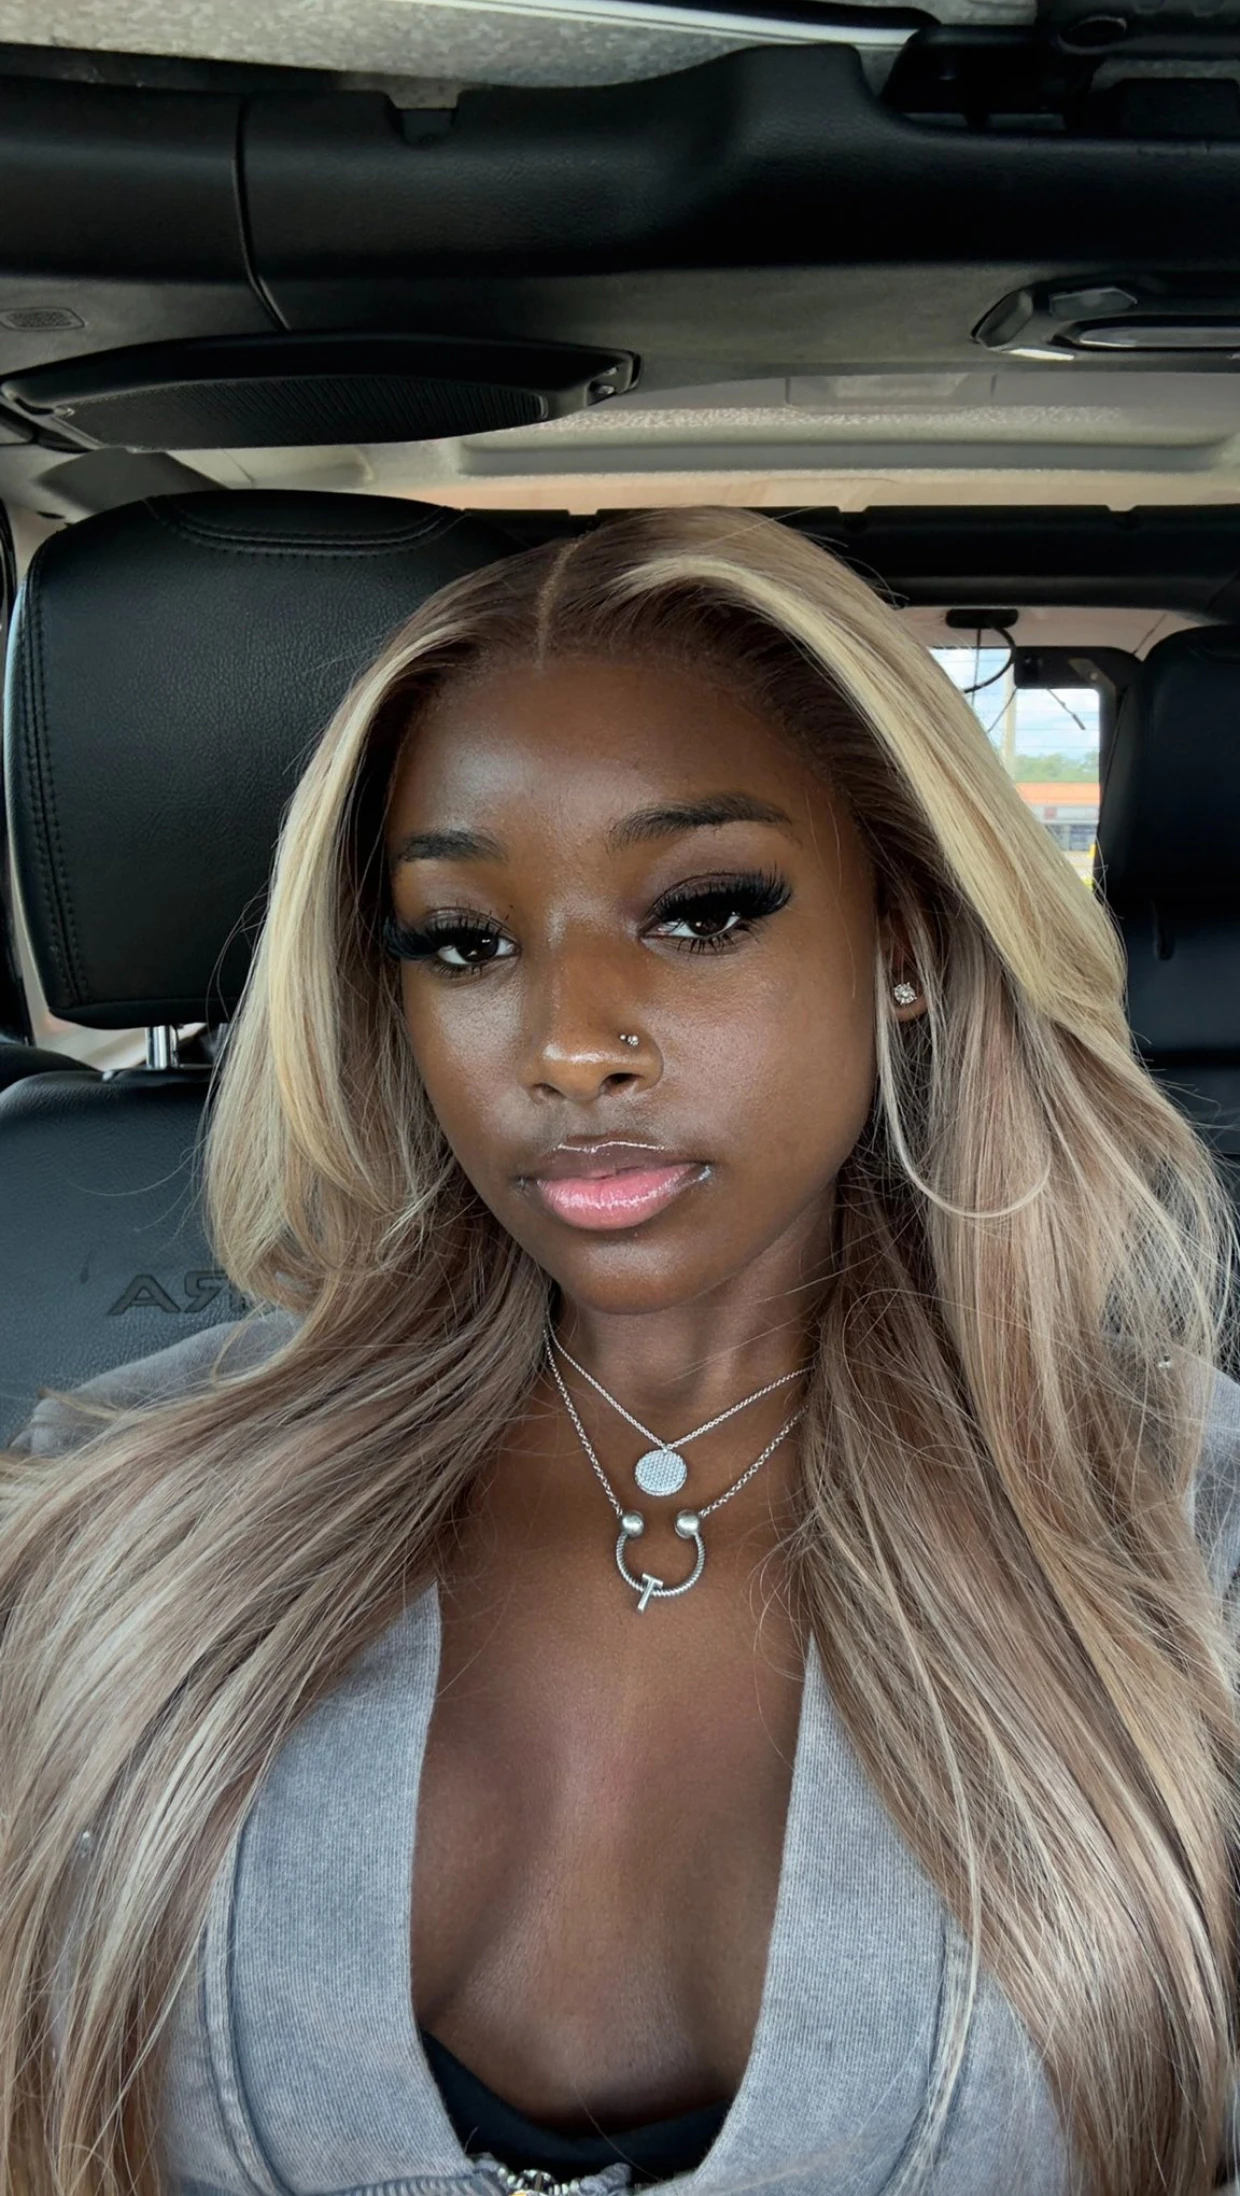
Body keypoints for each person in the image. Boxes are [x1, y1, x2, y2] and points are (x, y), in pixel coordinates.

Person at [3, 506, 1240, 2196]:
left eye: (703, 911)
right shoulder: (118, 1515)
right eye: (463, 940)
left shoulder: (1187, 1553)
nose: (571, 1045)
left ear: (901, 939)